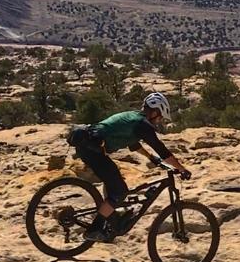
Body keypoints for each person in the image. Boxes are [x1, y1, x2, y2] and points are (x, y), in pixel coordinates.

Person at [68, 92, 191, 242]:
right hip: (91, 149)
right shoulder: (143, 124)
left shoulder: (134, 118)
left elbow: (133, 144)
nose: (159, 121)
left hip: (89, 146)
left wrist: (152, 158)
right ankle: (95, 229)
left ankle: (111, 220)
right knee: (120, 191)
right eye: (160, 117)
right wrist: (182, 169)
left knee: (114, 181)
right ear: (154, 112)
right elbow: (161, 149)